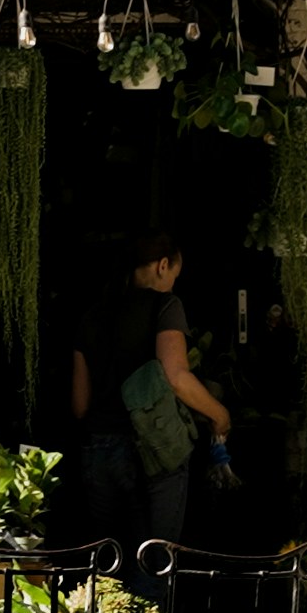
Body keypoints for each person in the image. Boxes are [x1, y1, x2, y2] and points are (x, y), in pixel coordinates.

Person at [69, 231, 232, 560]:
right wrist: (219, 414)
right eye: (174, 273)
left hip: (99, 450)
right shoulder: (165, 305)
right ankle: (150, 612)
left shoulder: (92, 316)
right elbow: (176, 377)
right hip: (151, 452)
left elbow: (80, 405)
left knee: (107, 562)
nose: (173, 281)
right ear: (162, 266)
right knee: (152, 562)